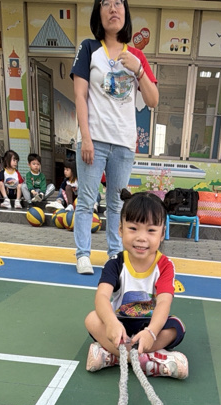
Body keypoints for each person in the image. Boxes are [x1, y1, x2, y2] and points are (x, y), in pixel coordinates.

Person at [71, 0, 159, 275]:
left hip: (123, 143)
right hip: (94, 140)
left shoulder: (136, 56)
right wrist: (86, 138)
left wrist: (138, 69)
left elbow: (153, 100)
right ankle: (83, 255)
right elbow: (80, 96)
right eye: (106, 3)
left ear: (125, 12)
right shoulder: (89, 48)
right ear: (98, 12)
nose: (113, 8)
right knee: (87, 200)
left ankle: (114, 255)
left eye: (118, 2)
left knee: (117, 204)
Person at [84, 190, 187, 379]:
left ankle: (113, 356)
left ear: (162, 233)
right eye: (133, 228)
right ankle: (149, 360)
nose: (141, 237)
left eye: (151, 230)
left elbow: (164, 302)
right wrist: (111, 323)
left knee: (176, 327)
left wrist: (151, 333)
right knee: (92, 319)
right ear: (120, 229)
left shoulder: (165, 266)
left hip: (150, 324)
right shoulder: (115, 263)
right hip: (119, 325)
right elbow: (102, 297)